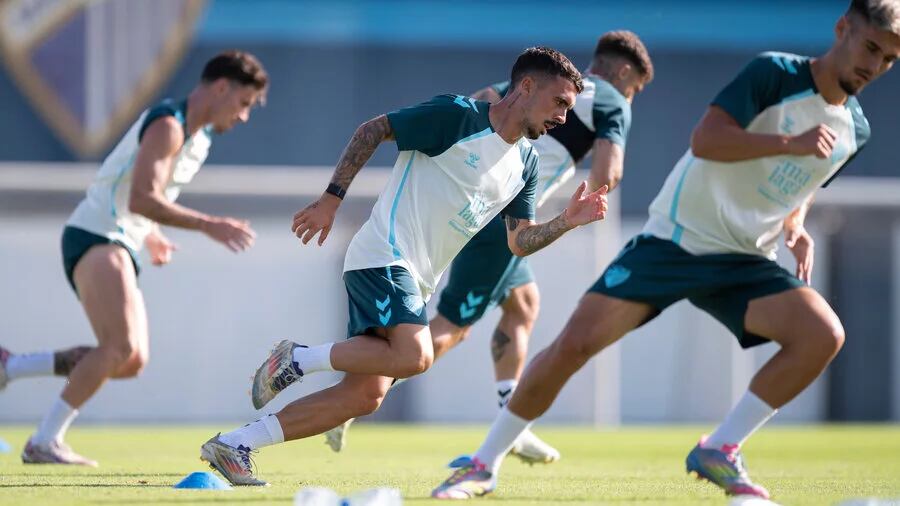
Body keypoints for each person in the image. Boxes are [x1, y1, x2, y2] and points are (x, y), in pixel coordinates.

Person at [431, 0, 900, 500]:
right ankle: (483, 464)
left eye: (890, 59)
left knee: (822, 335)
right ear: (842, 28)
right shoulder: (773, 73)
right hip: (675, 240)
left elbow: (806, 181)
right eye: (871, 47)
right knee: (573, 345)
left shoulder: (858, 131)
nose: (875, 65)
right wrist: (791, 143)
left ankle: (720, 449)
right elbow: (707, 140)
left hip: (746, 261)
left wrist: (796, 222)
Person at [199, 46, 609, 487]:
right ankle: (297, 358)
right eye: (560, 103)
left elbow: (519, 241)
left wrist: (566, 221)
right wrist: (329, 201)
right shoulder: (456, 116)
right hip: (384, 256)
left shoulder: (527, 163)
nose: (564, 118)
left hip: (417, 278)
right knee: (417, 356)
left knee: (364, 395)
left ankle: (237, 443)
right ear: (526, 87)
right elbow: (372, 130)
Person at [323, 31, 654, 465]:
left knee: (523, 305)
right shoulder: (612, 101)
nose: (632, 97)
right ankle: (365, 392)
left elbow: (479, 102)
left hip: (481, 198)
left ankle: (510, 420)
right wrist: (579, 208)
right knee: (455, 324)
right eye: (637, 90)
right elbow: (610, 171)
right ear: (626, 73)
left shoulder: (535, 85)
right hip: (501, 214)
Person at [0, 50, 268, 466]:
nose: (244, 116)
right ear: (220, 87)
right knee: (118, 346)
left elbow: (146, 192)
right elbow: (143, 198)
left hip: (120, 238)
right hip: (97, 233)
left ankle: (13, 366)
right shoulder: (168, 126)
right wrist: (207, 224)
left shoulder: (198, 139)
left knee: (129, 360)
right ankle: (44, 441)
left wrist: (153, 234)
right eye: (244, 103)